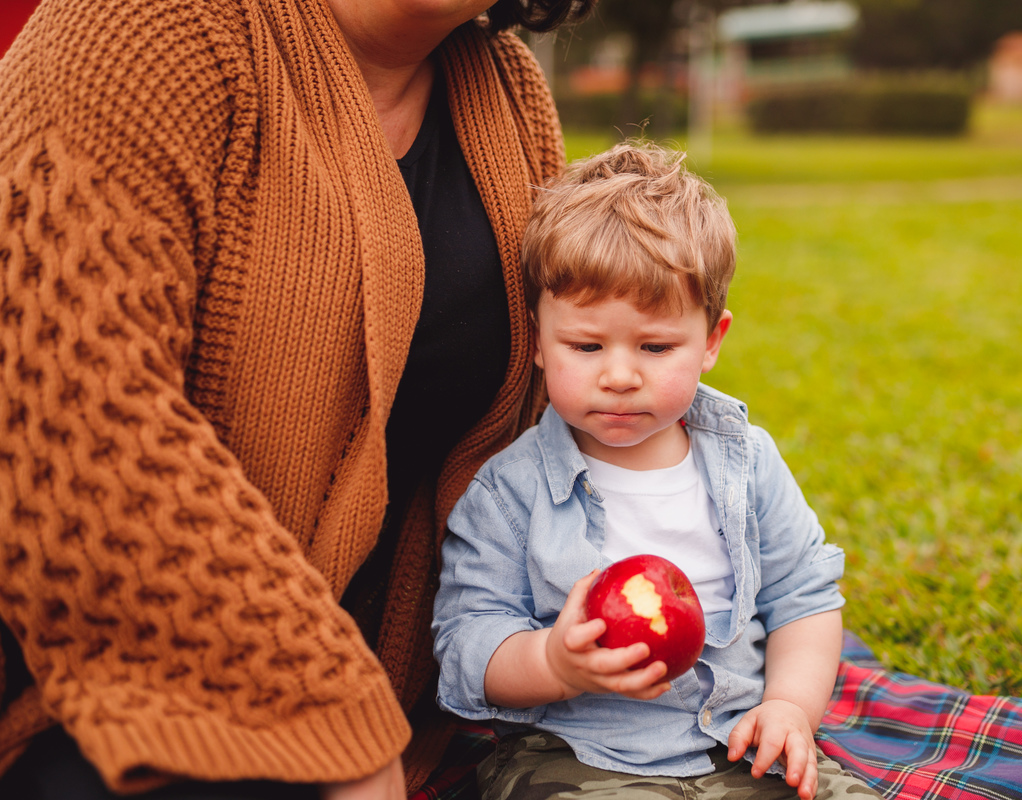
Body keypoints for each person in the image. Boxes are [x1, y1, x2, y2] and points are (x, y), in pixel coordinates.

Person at [0, 0, 592, 797]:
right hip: (101, 676)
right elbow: (71, 422)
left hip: (401, 701)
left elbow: (549, 407)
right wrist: (325, 707)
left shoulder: (506, 90)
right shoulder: (133, 31)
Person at [432, 143, 883, 800]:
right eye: (585, 346)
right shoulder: (508, 492)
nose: (618, 375)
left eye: (655, 346)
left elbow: (804, 597)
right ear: (536, 340)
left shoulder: (746, 463)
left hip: (736, 738)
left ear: (712, 341)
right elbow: (467, 641)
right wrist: (553, 662)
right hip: (581, 754)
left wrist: (789, 709)